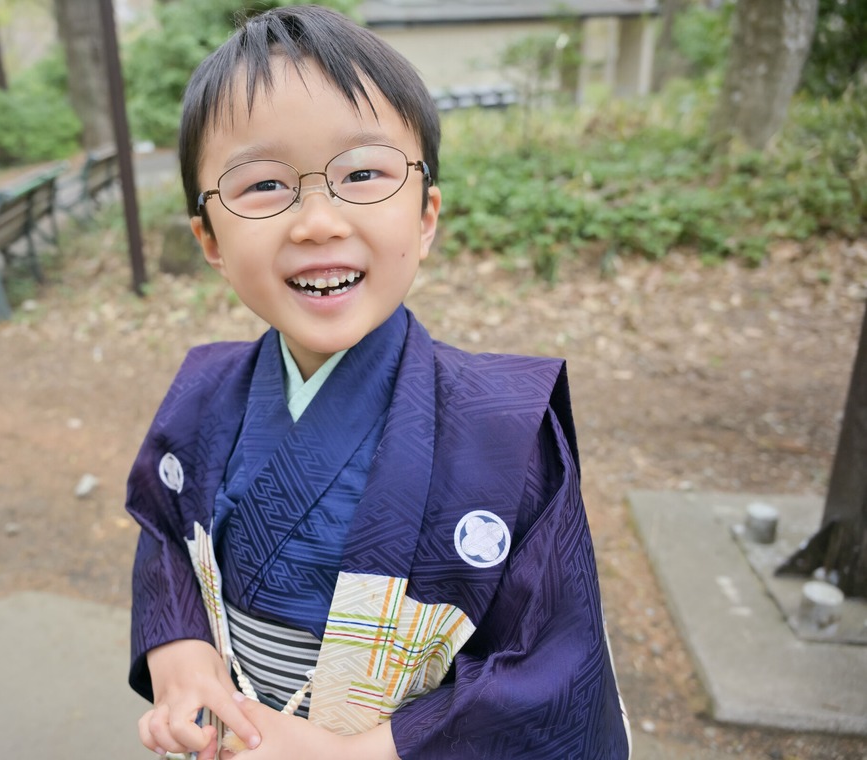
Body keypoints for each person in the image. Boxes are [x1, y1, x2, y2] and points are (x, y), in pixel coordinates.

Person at [126, 6, 630, 759]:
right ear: (210, 239)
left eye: (362, 174)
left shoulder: (503, 431)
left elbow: (549, 666)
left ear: (426, 216)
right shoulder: (203, 396)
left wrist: (354, 753)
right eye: (262, 185)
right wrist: (182, 657)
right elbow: (165, 532)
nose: (317, 222)